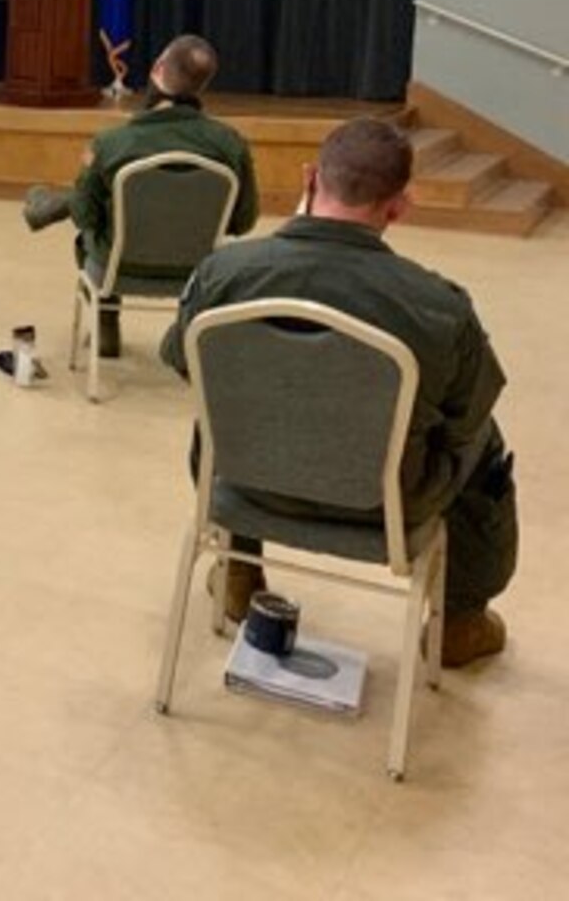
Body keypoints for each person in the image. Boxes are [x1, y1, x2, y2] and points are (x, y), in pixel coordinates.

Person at [160, 117, 517, 669]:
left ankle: (238, 569)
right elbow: (465, 420)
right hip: (386, 503)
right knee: (484, 438)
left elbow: (183, 361)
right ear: (399, 206)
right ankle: (461, 621)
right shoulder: (440, 308)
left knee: (221, 401)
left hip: (247, 484)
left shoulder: (223, 274)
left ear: (309, 179)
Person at [23, 34, 258, 358]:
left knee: (89, 224)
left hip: (117, 269)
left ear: (158, 69)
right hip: (197, 271)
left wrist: (81, 193)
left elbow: (85, 217)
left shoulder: (111, 143)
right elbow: (244, 221)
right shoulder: (232, 144)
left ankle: (106, 320)